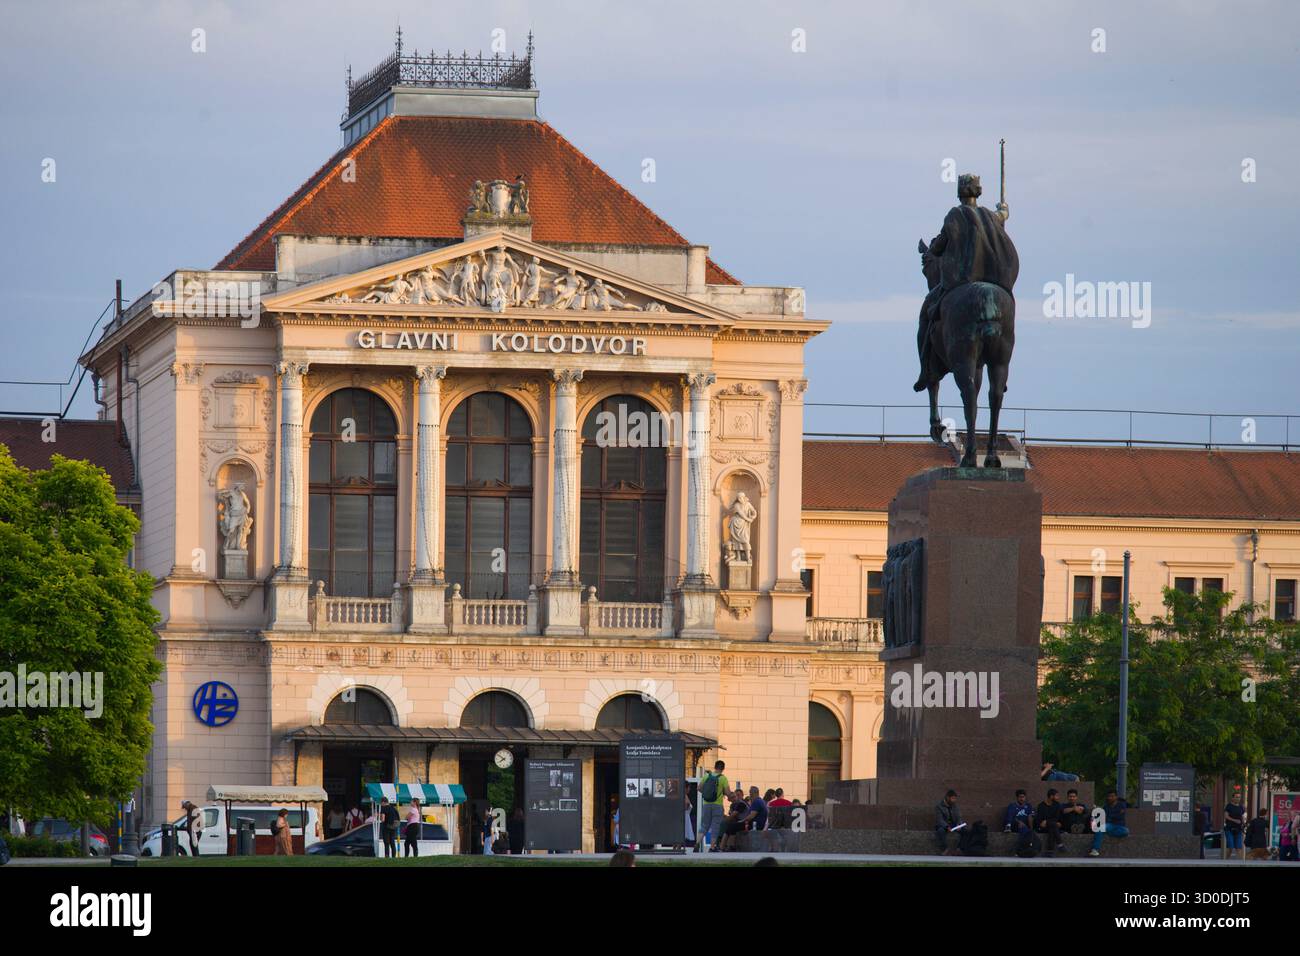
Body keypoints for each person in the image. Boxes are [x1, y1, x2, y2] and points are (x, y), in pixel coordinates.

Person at [697, 760, 729, 852]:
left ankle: (697, 843)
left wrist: (707, 794)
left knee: (704, 825)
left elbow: (699, 788)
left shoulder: (706, 776)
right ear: (723, 768)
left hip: (706, 804)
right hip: (717, 805)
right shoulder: (723, 778)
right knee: (715, 826)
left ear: (715, 767)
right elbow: (727, 792)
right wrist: (730, 795)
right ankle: (712, 847)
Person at [1090, 790, 1129, 857]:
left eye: (1112, 796)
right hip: (1109, 825)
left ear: (1116, 797)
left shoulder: (1121, 805)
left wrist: (1110, 816)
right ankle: (1095, 850)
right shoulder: (1106, 806)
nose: (1110, 798)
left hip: (1119, 825)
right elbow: (1103, 815)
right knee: (1100, 828)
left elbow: (1119, 816)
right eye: (1109, 796)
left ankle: (1106, 833)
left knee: (1126, 831)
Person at [1035, 789, 1064, 857]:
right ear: (1051, 796)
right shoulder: (1041, 805)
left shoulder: (1057, 805)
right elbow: (1040, 820)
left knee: (1052, 827)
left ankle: (1050, 851)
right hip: (1042, 827)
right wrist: (1047, 822)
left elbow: (1056, 818)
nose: (1058, 797)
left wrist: (1047, 821)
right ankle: (1059, 844)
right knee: (1053, 826)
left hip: (1052, 826)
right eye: (1056, 796)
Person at [935, 790, 962, 855]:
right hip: (944, 825)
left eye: (955, 798)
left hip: (954, 825)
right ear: (947, 797)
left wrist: (959, 824)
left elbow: (959, 817)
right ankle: (945, 849)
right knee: (940, 831)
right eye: (953, 798)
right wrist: (947, 827)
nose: (954, 800)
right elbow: (940, 820)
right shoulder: (939, 806)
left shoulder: (955, 806)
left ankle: (959, 848)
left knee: (966, 831)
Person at [1223, 793, 1246, 860]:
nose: (1238, 798)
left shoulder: (1241, 807)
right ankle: (1225, 861)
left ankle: (1241, 864)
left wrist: (1244, 822)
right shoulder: (1229, 806)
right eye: (1236, 797)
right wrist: (1235, 820)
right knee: (1230, 847)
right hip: (1229, 829)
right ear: (1232, 798)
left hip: (1238, 829)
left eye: (1239, 797)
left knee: (1239, 848)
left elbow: (1242, 816)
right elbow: (1226, 816)